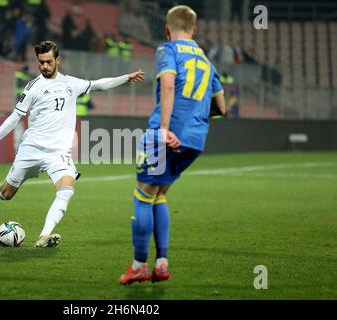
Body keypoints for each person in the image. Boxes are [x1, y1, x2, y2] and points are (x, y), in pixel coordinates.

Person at [0, 41, 145, 248]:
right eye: (41, 62)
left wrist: (126, 77)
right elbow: (14, 118)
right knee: (6, 195)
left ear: (58, 60)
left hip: (58, 153)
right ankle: (12, 194)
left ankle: (44, 235)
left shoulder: (71, 84)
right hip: (31, 149)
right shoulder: (33, 87)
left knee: (66, 189)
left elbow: (99, 84)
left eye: (48, 62)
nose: (44, 66)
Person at [118, 5, 226, 285]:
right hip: (195, 140)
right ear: (195, 30)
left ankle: (139, 266)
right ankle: (161, 264)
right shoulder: (206, 61)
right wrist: (195, 118)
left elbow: (168, 85)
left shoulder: (168, 50)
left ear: (168, 29)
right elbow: (221, 107)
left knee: (142, 195)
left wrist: (165, 128)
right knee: (160, 194)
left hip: (165, 134)